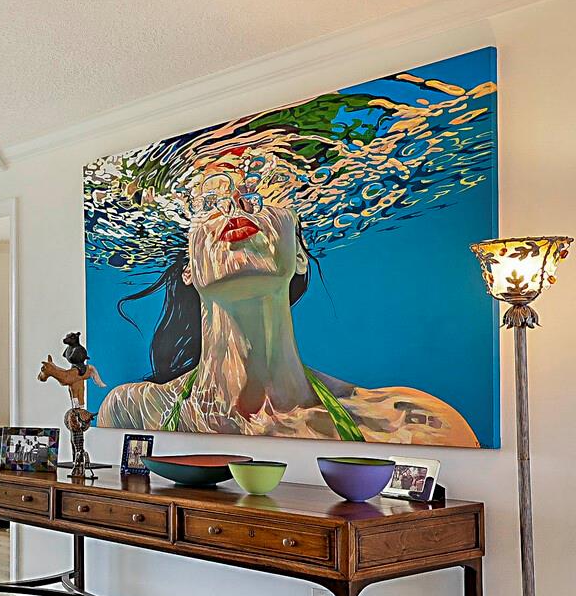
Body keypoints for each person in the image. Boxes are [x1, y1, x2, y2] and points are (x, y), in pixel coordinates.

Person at [98, 173, 478, 446]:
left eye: (259, 194)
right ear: (189, 270)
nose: (238, 204)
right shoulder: (132, 410)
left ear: (299, 256)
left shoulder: (413, 424)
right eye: (210, 205)